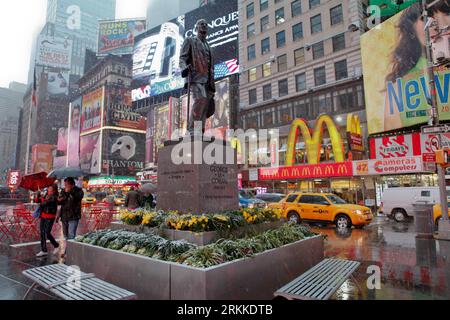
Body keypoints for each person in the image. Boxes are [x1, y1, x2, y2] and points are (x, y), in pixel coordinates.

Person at [179, 19, 216, 134]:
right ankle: (191, 129)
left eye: (206, 24)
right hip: (195, 77)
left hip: (208, 80)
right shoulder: (190, 41)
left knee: (205, 106)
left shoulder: (208, 46)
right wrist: (184, 68)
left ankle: (199, 130)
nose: (204, 26)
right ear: (196, 27)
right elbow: (182, 58)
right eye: (201, 24)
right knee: (200, 99)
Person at [36, 185, 60, 257]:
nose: (49, 191)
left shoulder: (54, 197)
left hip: (50, 217)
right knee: (42, 233)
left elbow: (44, 204)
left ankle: (56, 245)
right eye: (48, 189)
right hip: (43, 216)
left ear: (54, 190)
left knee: (47, 233)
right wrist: (38, 194)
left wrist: (43, 200)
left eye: (51, 190)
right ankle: (44, 250)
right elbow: (37, 201)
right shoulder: (46, 195)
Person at [57, 177, 84, 243]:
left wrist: (70, 192)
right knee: (65, 235)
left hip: (73, 216)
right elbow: (60, 202)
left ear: (71, 184)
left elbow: (77, 198)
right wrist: (59, 200)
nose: (65, 186)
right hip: (64, 216)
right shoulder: (63, 191)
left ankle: (70, 251)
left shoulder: (79, 190)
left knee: (71, 235)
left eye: (66, 184)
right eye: (65, 184)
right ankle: (68, 249)